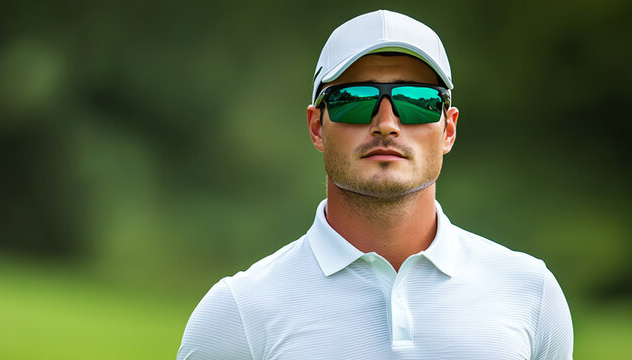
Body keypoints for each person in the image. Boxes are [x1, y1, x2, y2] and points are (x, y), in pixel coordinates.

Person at [178, 9, 573, 360]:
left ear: (448, 129)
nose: (386, 123)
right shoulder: (239, 313)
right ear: (317, 127)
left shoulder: (531, 293)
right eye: (355, 99)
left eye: (418, 101)